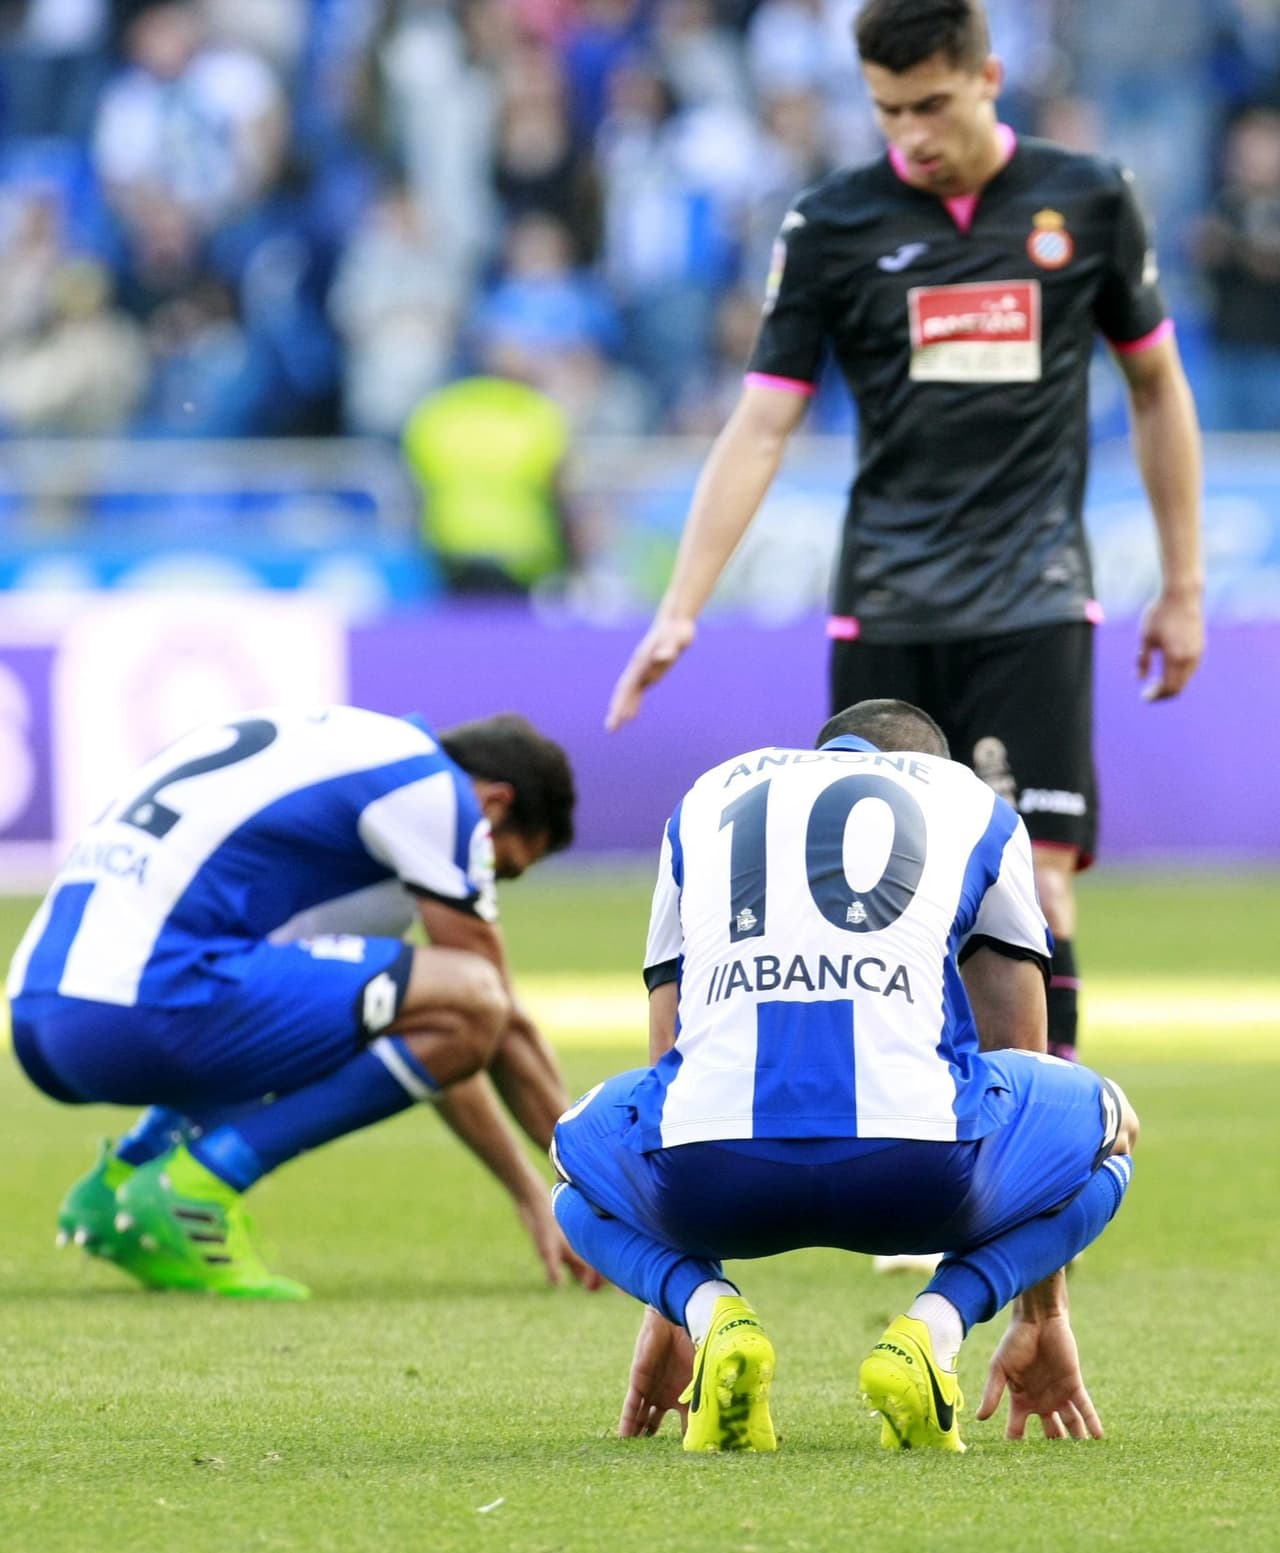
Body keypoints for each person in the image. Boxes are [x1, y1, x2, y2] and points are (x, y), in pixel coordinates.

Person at [605, 0, 1205, 1075]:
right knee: (879, 885)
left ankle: (1043, 1159)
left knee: (1036, 881)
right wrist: (680, 602)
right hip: (884, 600)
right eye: (888, 112)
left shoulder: (1088, 200)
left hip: (1033, 595)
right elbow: (762, 420)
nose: (911, 136)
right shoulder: (832, 223)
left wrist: (1184, 583)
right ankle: (915, 1134)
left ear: (988, 72)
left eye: (930, 104)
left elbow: (1157, 387)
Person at [551, 699, 1139, 1452]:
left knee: (572, 1175)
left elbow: (671, 1043)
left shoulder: (705, 798)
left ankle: (709, 1313)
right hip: (924, 1178)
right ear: (933, 763)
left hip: (714, 1181)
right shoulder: (973, 805)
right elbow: (1020, 1049)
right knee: (1111, 1131)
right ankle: (936, 1326)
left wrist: (669, 1291)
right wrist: (1041, 1313)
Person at [7, 705, 598, 1301]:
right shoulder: (431, 787)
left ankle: (124, 1179)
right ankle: (203, 1184)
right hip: (137, 1009)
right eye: (502, 867)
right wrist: (600, 1206)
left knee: (424, 1001)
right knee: (472, 993)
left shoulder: (345, 760)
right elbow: (492, 1015)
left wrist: (527, 1190)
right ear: (493, 804)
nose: (484, 883)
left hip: (39, 1015)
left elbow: (429, 1035)